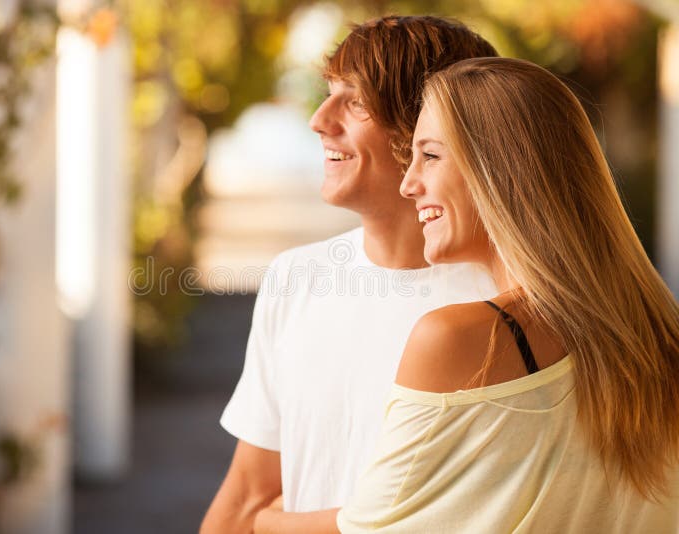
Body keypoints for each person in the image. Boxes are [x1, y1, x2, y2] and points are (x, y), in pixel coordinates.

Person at [255, 57, 679, 533]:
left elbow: (366, 529)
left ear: (502, 170)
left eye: (430, 156)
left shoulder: (458, 338)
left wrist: (268, 520)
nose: (408, 183)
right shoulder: (658, 334)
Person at [200, 16, 499, 532]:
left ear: (430, 125)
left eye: (355, 101)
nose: (319, 119)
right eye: (329, 92)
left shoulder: (508, 302)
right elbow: (250, 491)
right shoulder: (296, 279)